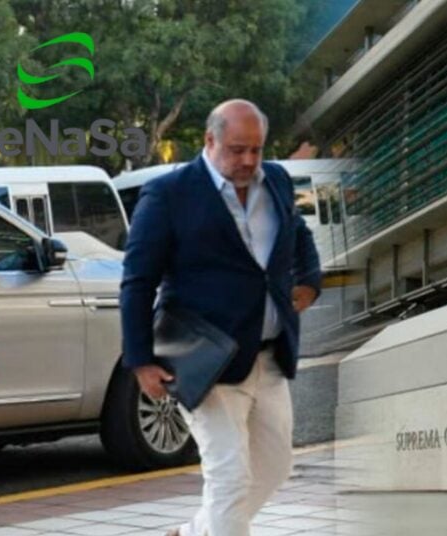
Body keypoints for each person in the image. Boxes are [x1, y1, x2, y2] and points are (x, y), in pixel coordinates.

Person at [120, 99, 321, 536]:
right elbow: (137, 280)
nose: (248, 160)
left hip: (269, 354)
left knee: (275, 466)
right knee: (229, 478)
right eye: (236, 150)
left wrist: (309, 279)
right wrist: (140, 360)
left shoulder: (277, 181)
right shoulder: (168, 195)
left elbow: (297, 231)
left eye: (256, 149)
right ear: (209, 141)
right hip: (207, 358)